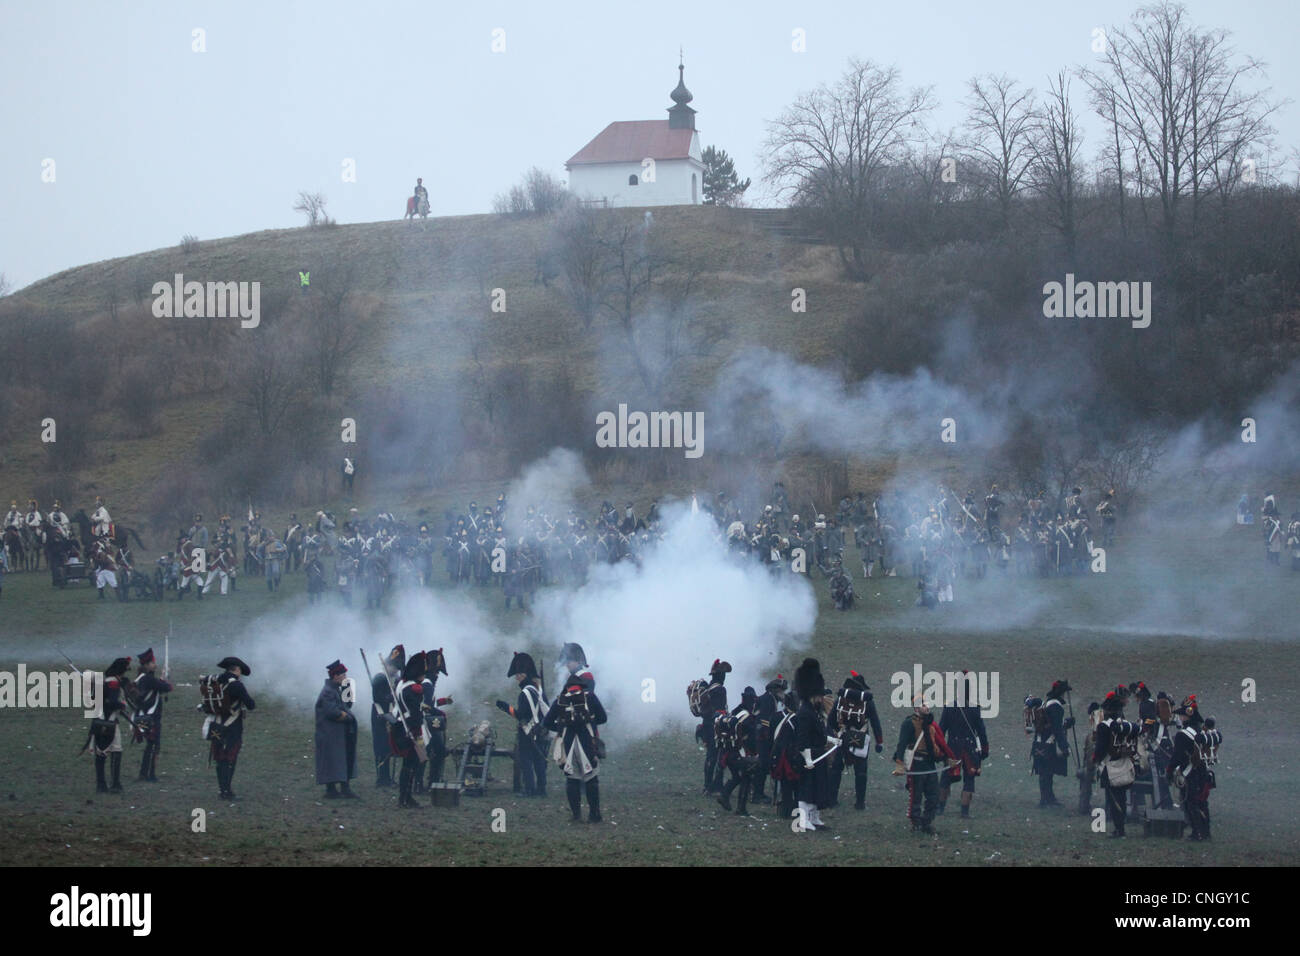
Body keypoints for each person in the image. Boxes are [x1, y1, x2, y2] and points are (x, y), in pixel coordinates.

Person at [542, 673, 607, 822]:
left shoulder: (560, 700)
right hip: (587, 743)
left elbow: (547, 723)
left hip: (568, 744)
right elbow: (603, 718)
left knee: (572, 780)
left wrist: (561, 727)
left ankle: (576, 815)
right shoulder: (590, 697)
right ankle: (594, 814)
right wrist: (590, 722)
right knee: (591, 779)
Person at [892, 696, 956, 833]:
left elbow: (938, 744)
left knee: (934, 795)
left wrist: (946, 758)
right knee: (916, 795)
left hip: (929, 764)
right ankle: (916, 823)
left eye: (927, 704)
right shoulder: (909, 723)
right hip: (916, 763)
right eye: (923, 705)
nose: (927, 707)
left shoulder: (931, 725)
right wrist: (899, 763)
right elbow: (902, 744)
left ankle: (926, 823)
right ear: (916, 708)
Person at [827, 671, 884, 811]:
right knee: (861, 771)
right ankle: (860, 803)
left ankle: (832, 800)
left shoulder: (841, 700)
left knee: (836, 769)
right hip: (861, 739)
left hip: (842, 737)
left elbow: (831, 720)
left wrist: (837, 731)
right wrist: (879, 742)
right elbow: (875, 722)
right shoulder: (868, 702)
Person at [937, 672, 990, 818]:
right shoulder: (975, 708)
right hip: (970, 748)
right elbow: (981, 732)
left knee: (946, 779)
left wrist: (941, 750)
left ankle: (940, 809)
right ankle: (964, 812)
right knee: (969, 780)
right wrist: (985, 750)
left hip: (952, 747)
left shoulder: (949, 707)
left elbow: (941, 731)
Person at [497, 651, 549, 798]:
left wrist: (505, 707)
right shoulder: (538, 690)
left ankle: (529, 789)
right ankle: (541, 789)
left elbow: (521, 715)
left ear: (523, 675)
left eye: (518, 675)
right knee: (539, 760)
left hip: (528, 732)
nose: (516, 678)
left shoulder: (525, 693)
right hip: (540, 730)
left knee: (526, 760)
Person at [1093, 688, 1140, 837]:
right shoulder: (1125, 725)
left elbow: (1100, 749)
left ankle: (1119, 829)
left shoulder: (1103, 726)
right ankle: (1120, 828)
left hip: (1110, 766)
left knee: (1113, 799)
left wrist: (1095, 760)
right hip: (1124, 765)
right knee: (1121, 797)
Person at [207, 656, 255, 801]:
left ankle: (223, 789)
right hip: (232, 727)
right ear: (237, 669)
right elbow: (251, 704)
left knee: (220, 759)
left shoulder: (215, 681)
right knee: (230, 759)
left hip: (216, 724)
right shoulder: (236, 685)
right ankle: (227, 791)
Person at [793, 658, 832, 831]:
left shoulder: (813, 712)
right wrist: (807, 758)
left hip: (818, 754)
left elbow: (820, 734)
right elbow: (802, 740)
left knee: (818, 787)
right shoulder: (804, 713)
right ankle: (803, 820)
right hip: (809, 756)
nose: (821, 698)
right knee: (806, 789)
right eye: (819, 696)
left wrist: (832, 740)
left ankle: (814, 817)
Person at [87, 657, 132, 793]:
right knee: (116, 750)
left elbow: (94, 699)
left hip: (98, 721)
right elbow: (112, 702)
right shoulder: (113, 683)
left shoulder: (104, 682)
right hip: (110, 721)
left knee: (101, 753)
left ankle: (101, 785)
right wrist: (122, 705)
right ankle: (115, 784)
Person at [315, 660, 359, 799]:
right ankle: (332, 790)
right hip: (330, 733)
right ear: (336, 676)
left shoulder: (336, 689)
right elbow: (332, 712)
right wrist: (347, 717)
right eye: (343, 675)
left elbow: (348, 705)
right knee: (333, 762)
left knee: (341, 760)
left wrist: (348, 690)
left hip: (338, 733)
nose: (345, 677)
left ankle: (343, 789)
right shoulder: (328, 692)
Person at [390, 650, 428, 809]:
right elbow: (416, 712)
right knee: (410, 764)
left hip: (402, 726)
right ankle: (404, 798)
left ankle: (406, 797)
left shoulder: (401, 684)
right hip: (412, 729)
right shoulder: (414, 689)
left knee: (411, 763)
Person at [1027, 680, 1073, 808]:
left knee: (1046, 772)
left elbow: (1054, 723)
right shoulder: (1056, 706)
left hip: (1039, 743)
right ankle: (1045, 800)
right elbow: (1057, 728)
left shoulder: (1047, 703)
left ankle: (1049, 798)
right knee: (1046, 772)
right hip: (1048, 743)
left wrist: (1066, 722)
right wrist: (1064, 747)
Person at [133, 648, 173, 782]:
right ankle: (149, 774)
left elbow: (157, 688)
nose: (154, 665)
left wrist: (162, 678)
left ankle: (145, 773)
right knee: (153, 745)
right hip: (151, 717)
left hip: (142, 715)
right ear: (146, 665)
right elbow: (167, 688)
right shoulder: (148, 679)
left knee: (151, 745)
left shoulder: (142, 678)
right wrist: (165, 679)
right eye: (152, 663)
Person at [370, 645, 402, 787]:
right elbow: (378, 698)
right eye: (395, 668)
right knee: (381, 748)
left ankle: (386, 777)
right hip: (380, 716)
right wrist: (392, 695)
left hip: (387, 715)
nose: (396, 671)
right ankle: (382, 778)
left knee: (388, 747)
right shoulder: (380, 678)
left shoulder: (389, 679)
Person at [699, 659, 730, 794]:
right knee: (717, 756)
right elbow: (721, 712)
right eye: (723, 675)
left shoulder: (709, 688)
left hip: (706, 725)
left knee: (710, 756)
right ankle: (714, 786)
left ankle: (708, 785)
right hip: (716, 726)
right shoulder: (720, 690)